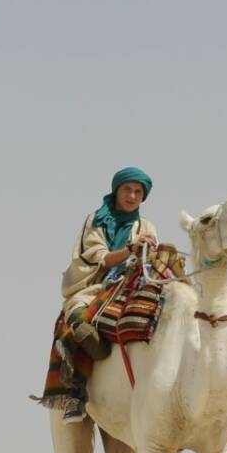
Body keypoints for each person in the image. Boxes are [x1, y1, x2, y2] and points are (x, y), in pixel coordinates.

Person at [57, 166, 159, 422]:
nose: (132, 196)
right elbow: (99, 260)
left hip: (133, 286)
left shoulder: (146, 227)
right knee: (79, 320)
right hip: (96, 287)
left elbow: (152, 263)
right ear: (116, 191)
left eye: (138, 192)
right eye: (127, 189)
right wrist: (130, 249)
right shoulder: (95, 221)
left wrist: (153, 254)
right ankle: (76, 391)